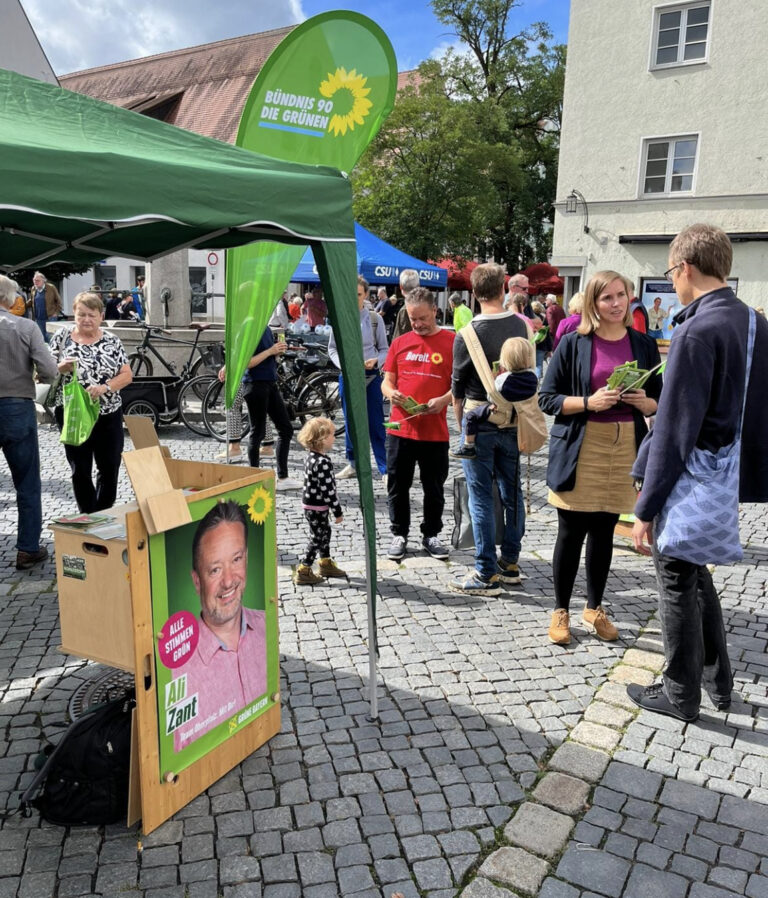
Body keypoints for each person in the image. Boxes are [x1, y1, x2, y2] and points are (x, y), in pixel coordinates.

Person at [628, 224, 768, 722]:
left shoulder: (695, 329)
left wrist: (645, 507)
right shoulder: (754, 321)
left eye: (671, 272)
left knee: (675, 579)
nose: (672, 281)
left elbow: (674, 429)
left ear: (685, 267)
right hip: (725, 471)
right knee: (692, 572)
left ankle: (680, 694)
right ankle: (718, 681)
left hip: (692, 476)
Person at [539, 271, 662, 646]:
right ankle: (561, 609)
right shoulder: (573, 343)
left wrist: (646, 403)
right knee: (571, 531)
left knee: (605, 530)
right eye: (607, 297)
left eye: (621, 295)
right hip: (582, 442)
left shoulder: (643, 344)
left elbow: (660, 399)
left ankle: (594, 607)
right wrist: (588, 402)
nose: (616, 303)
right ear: (593, 303)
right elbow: (547, 398)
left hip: (625, 444)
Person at [451, 262, 530, 595]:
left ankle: (485, 573)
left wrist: (463, 427)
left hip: (478, 421)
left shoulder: (467, 334)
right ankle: (510, 563)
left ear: (473, 293)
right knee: (513, 494)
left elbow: (457, 391)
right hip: (513, 419)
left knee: (480, 497)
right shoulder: (523, 326)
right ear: (503, 289)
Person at [172, 500, 266, 751]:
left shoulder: (267, 627)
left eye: (236, 559)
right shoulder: (177, 672)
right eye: (214, 570)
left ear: (247, 558)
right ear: (197, 581)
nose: (228, 581)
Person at [381, 287, 455, 562]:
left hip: (434, 432)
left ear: (435, 311)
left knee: (433, 487)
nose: (418, 324)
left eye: (423, 318)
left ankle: (431, 534)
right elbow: (386, 381)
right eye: (413, 319)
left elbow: (461, 387)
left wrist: (444, 400)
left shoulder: (452, 342)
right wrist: (391, 393)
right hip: (401, 428)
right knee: (397, 484)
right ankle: (399, 533)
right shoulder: (400, 343)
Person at [49, 292, 133, 512]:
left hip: (108, 413)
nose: (86, 319)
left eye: (91, 315)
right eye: (81, 314)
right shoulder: (62, 337)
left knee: (110, 467)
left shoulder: (112, 340)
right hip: (73, 413)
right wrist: (61, 367)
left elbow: (127, 375)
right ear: (74, 315)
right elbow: (45, 370)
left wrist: (105, 387)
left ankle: (102, 513)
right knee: (80, 469)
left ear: (101, 316)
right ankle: (87, 516)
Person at [0, 275, 59, 570]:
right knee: (27, 482)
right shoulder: (25, 327)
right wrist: (39, 376)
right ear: (8, 298)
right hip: (16, 407)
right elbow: (49, 370)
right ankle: (27, 549)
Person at [219, 327, 300, 490]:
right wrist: (271, 351)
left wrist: (277, 353)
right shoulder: (249, 328)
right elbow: (247, 362)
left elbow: (268, 357)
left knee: (286, 429)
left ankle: (283, 478)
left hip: (270, 383)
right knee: (257, 433)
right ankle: (254, 479)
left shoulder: (266, 328)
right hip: (254, 385)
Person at [328, 275, 389, 481]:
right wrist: (344, 365)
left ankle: (384, 467)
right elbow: (332, 348)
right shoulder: (339, 318)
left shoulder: (375, 319)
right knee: (350, 422)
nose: (355, 298)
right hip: (348, 375)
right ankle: (353, 463)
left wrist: (376, 361)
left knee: (376, 422)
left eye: (359, 294)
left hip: (371, 376)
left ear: (366, 295)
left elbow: (385, 349)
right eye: (351, 294)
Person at [452, 337, 538, 459]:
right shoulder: (533, 375)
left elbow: (491, 397)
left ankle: (468, 445)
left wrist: (494, 377)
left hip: (500, 410)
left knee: (471, 416)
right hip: (520, 411)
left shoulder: (503, 379)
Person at [293, 417, 346, 585]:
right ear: (322, 439)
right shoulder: (322, 462)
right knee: (317, 537)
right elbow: (328, 491)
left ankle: (325, 562)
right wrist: (337, 511)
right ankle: (304, 569)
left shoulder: (312, 457)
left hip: (311, 505)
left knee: (325, 532)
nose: (334, 438)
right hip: (317, 506)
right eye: (332, 435)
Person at [26, 271, 62, 343]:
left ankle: (52, 349)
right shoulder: (33, 289)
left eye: (38, 280)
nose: (35, 282)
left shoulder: (51, 287)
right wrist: (22, 305)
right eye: (34, 280)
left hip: (50, 317)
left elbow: (58, 301)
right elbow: (32, 300)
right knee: (41, 337)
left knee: (49, 336)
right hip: (38, 318)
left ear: (43, 280)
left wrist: (56, 313)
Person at [392, 269, 420, 340]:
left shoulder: (405, 310)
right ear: (418, 286)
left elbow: (400, 339)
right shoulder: (427, 307)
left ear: (400, 287)